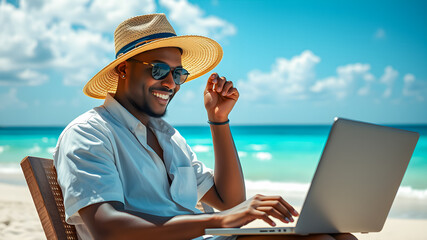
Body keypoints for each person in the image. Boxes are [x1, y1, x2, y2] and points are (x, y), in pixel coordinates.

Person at [53, 13, 357, 240]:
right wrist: (221, 222)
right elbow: (107, 227)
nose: (171, 83)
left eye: (179, 73)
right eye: (158, 69)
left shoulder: (169, 138)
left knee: (338, 236)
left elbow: (230, 202)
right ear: (123, 69)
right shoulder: (89, 133)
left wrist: (218, 119)